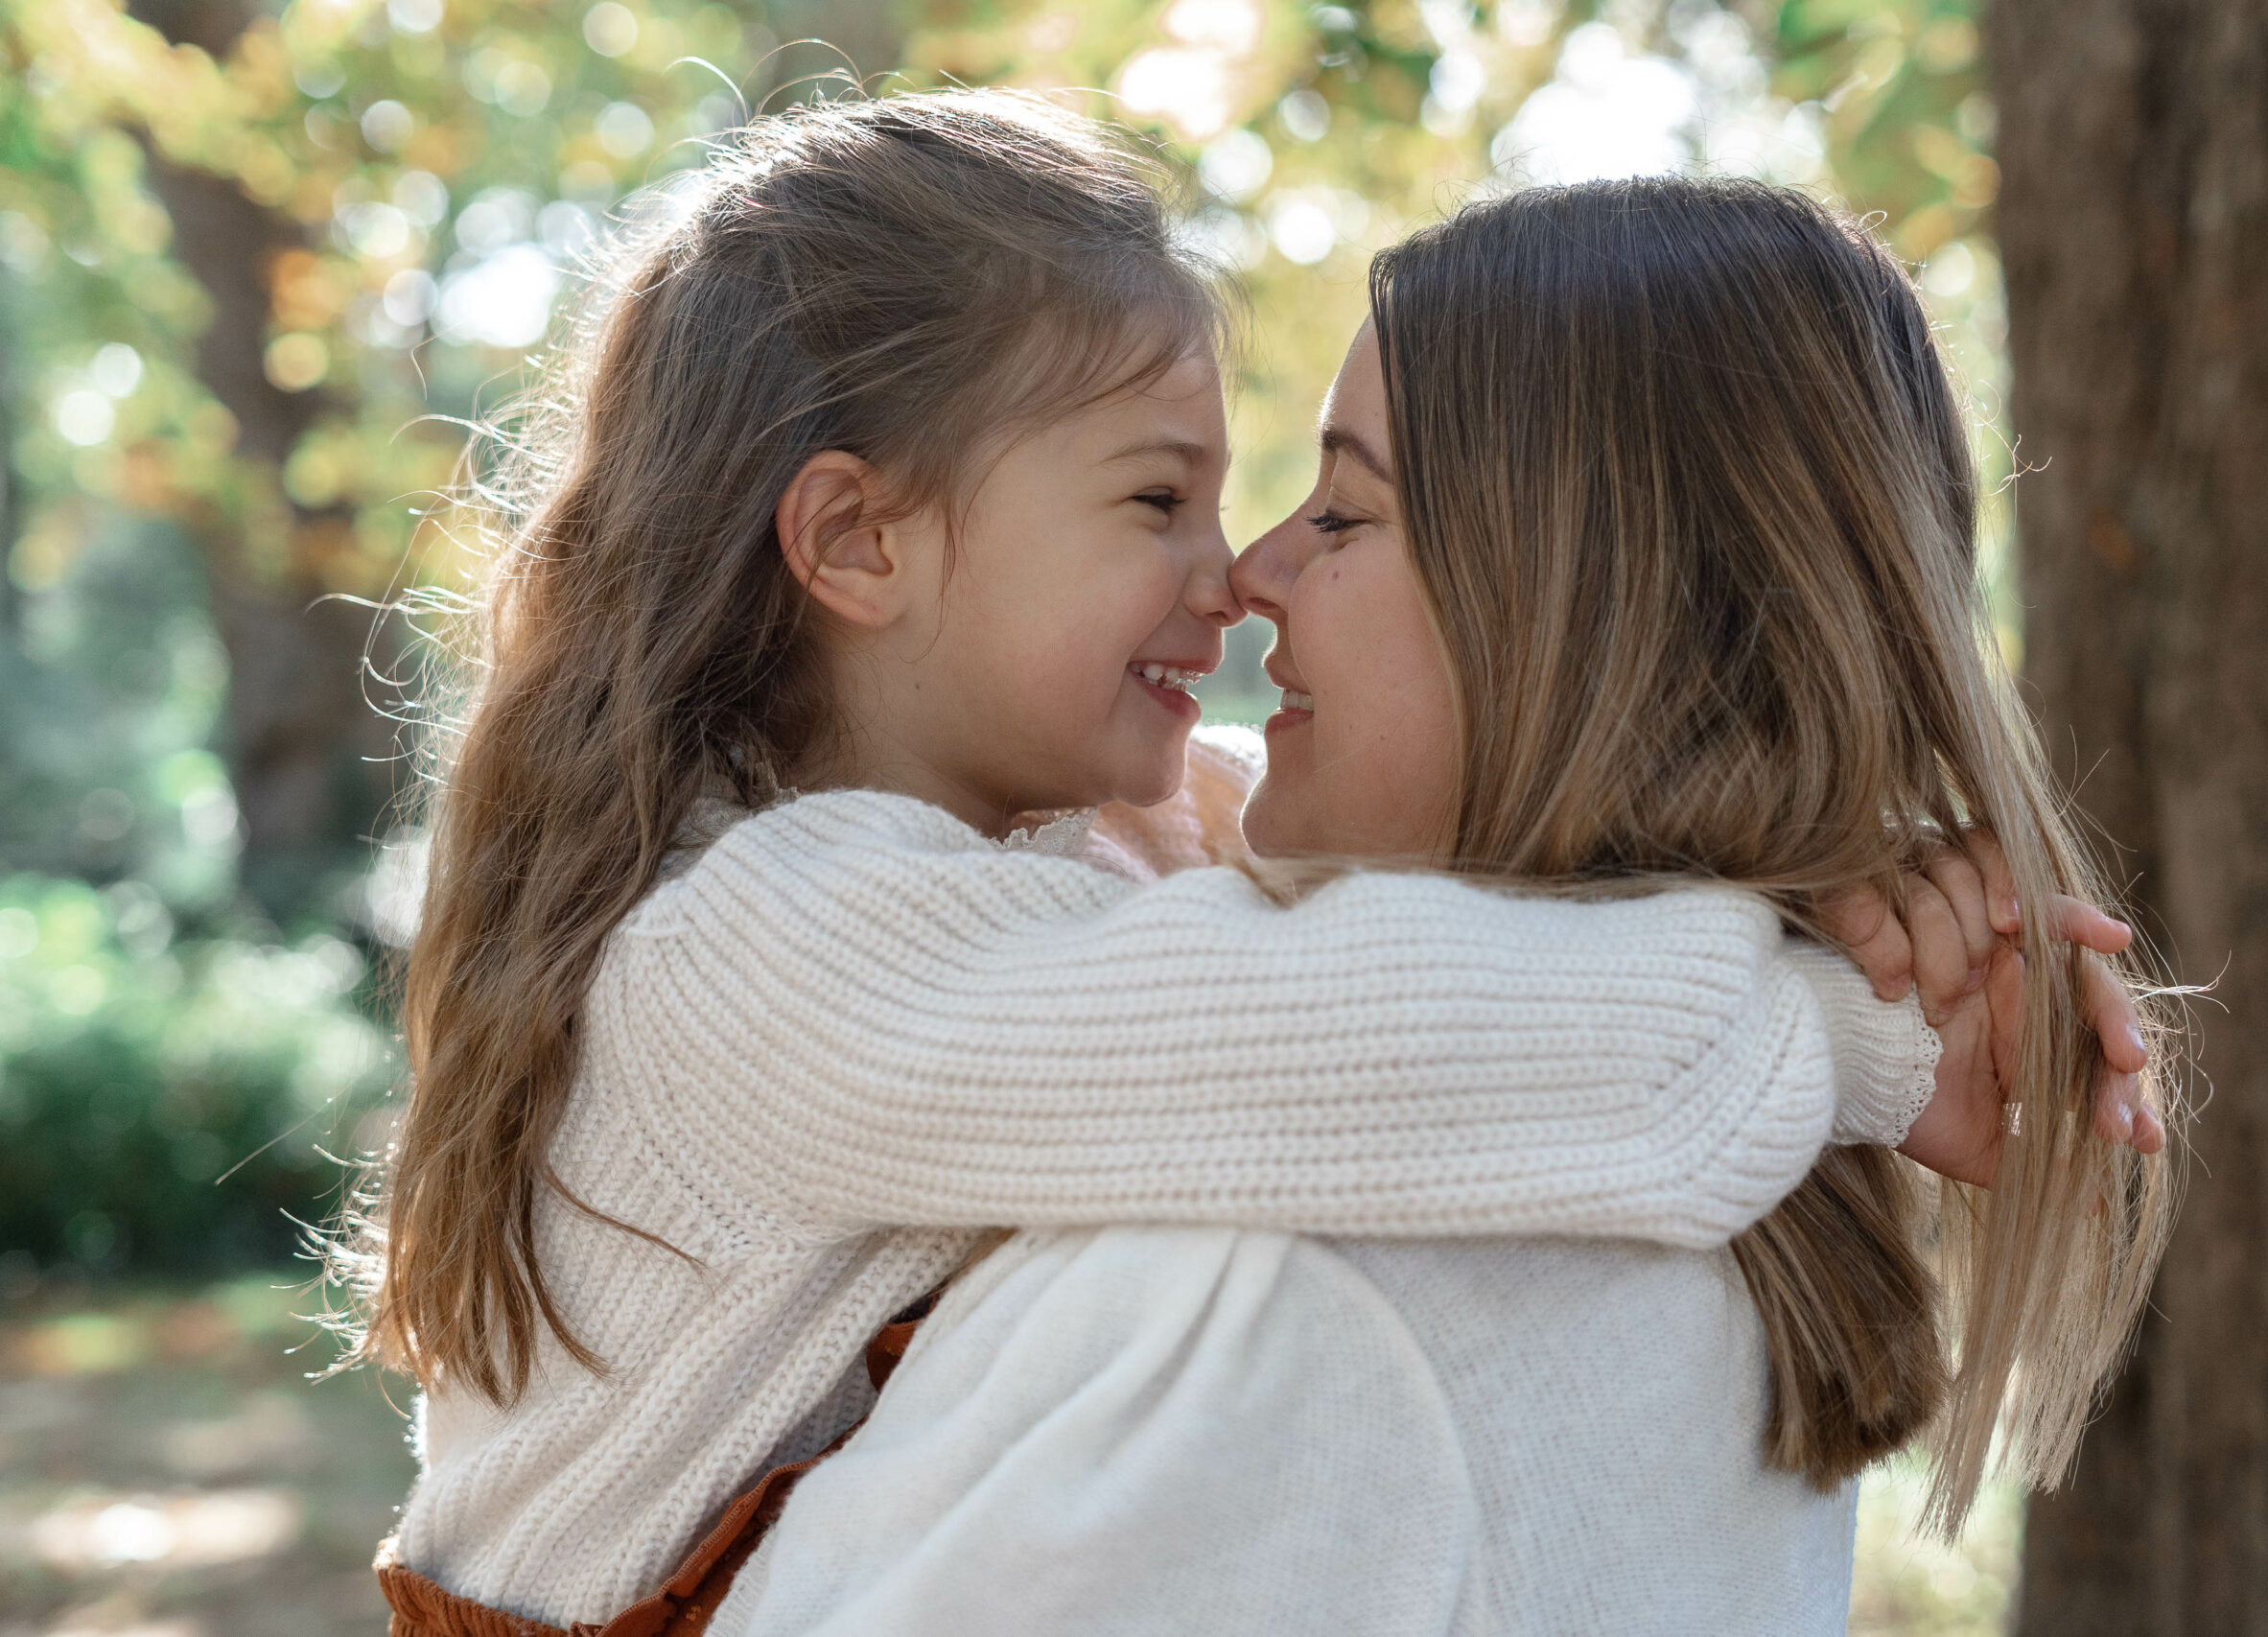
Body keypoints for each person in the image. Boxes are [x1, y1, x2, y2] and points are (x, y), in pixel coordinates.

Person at [344, 95, 2126, 1633]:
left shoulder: (1105, 894)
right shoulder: (771, 952)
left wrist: (1811, 893)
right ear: (858, 540)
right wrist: (1861, 1024)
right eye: (1156, 503)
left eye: (1327, 510)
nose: (1240, 574)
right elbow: (1343, 1011)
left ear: (1573, 609)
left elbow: (1348, 950)